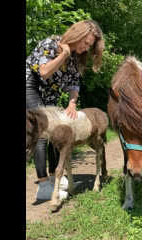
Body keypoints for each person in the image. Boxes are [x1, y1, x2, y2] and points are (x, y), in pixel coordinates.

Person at [26, 20, 105, 200]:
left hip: (50, 93)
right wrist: (64, 54)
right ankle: (44, 185)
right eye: (85, 43)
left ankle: (55, 177)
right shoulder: (50, 43)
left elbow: (74, 84)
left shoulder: (78, 58)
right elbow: (44, 72)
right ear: (77, 33)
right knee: (42, 130)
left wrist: (72, 103)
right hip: (31, 84)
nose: (86, 48)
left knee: (59, 130)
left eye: (90, 46)